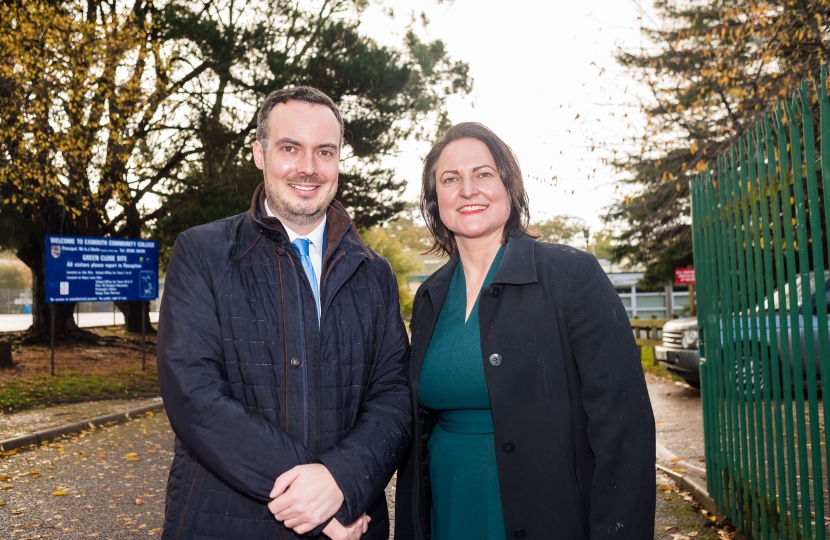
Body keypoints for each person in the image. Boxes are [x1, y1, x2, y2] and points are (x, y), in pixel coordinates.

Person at [157, 86, 412, 540]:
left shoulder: (376, 274)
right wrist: (315, 498)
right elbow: (193, 394)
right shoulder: (203, 253)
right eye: (290, 148)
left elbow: (394, 398)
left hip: (352, 523)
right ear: (259, 153)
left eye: (325, 151)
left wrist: (341, 481)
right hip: (224, 523)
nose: (308, 167)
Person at [394, 122, 656, 540]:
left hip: (547, 519)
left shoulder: (570, 276)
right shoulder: (431, 296)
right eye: (450, 179)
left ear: (509, 186)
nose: (468, 189)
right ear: (434, 199)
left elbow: (624, 430)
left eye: (483, 174)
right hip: (449, 514)